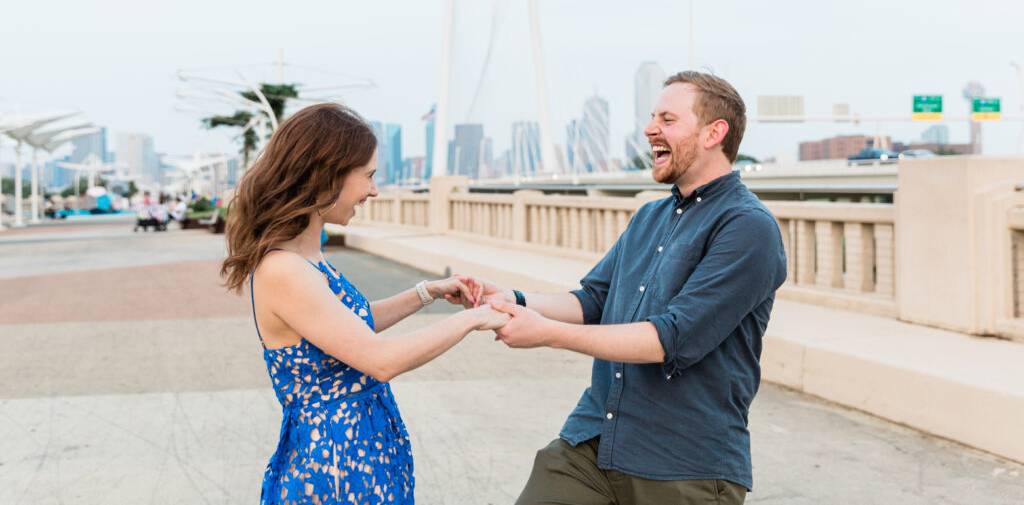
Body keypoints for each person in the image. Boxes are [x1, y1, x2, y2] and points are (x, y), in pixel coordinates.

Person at [472, 71, 787, 504]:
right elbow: (594, 300)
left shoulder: (748, 227)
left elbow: (672, 338)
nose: (650, 129)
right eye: (652, 117)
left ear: (715, 133)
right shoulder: (648, 218)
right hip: (592, 443)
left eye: (668, 119)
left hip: (683, 464)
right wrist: (515, 300)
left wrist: (546, 334)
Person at [221, 103, 509, 505]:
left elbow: (348, 329)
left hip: (362, 454)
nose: (374, 190)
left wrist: (427, 293)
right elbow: (378, 360)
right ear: (327, 174)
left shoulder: (307, 257)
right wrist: (475, 319)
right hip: (335, 469)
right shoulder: (283, 269)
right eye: (369, 176)